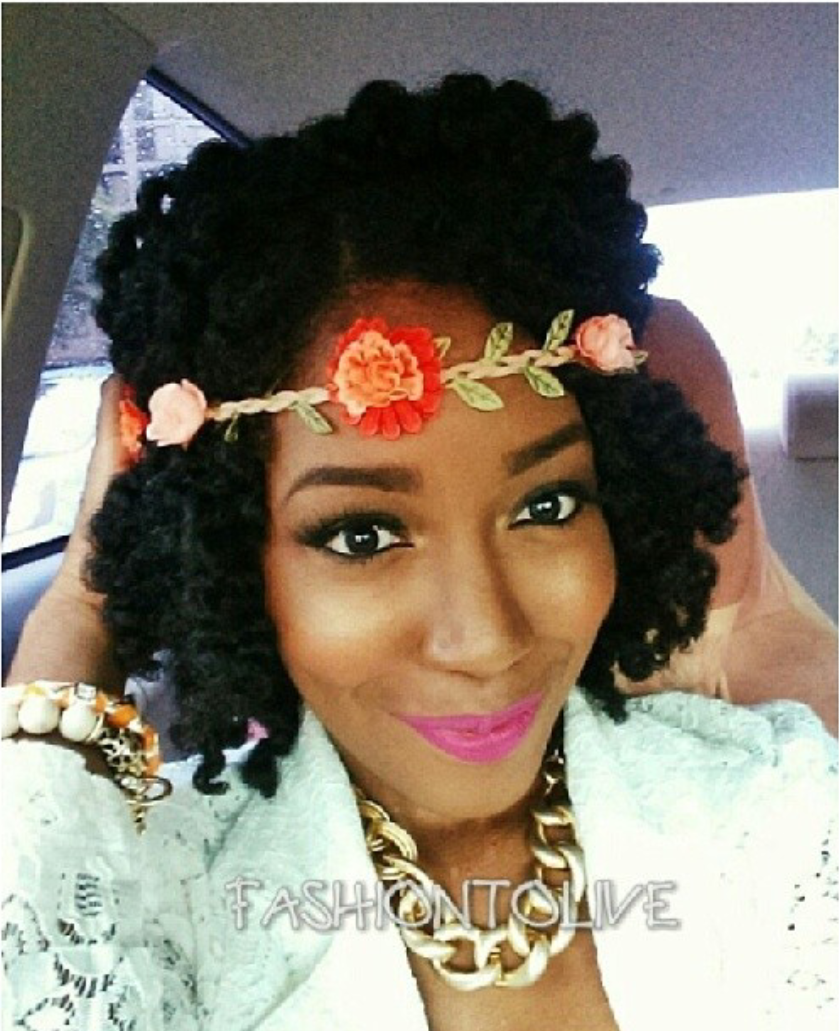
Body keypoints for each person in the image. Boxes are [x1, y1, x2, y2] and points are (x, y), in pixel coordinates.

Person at [2, 75, 835, 1031]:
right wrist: (83, 604)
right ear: (228, 554)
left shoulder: (775, 800)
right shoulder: (161, 885)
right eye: (361, 535)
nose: (483, 639)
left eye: (547, 505)